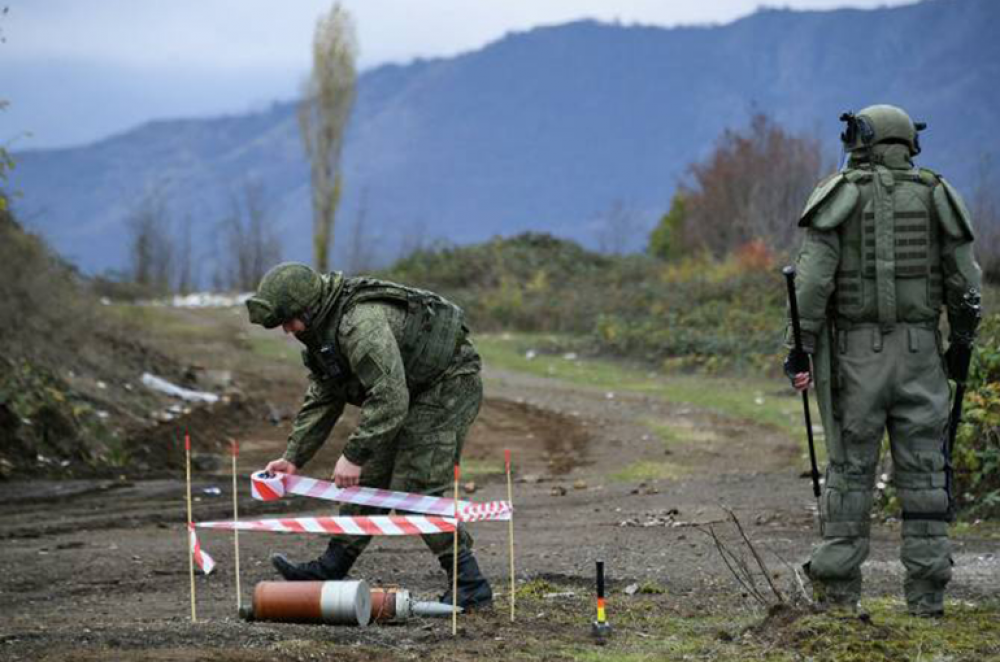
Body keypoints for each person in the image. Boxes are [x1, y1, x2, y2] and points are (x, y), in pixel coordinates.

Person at [784, 104, 982, 617]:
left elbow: (811, 284)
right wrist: (961, 344)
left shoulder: (838, 197)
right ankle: (927, 596)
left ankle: (837, 593)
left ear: (862, 140)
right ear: (907, 143)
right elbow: (967, 285)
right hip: (921, 355)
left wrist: (798, 348)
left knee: (850, 472)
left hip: (855, 357)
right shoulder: (939, 196)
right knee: (924, 473)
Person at [246, 262, 493, 610]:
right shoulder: (321, 333)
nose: (287, 330)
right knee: (371, 483)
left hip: (447, 384)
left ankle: (471, 585)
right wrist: (293, 457)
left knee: (415, 487)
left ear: (309, 308)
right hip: (409, 387)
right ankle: (331, 568)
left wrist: (355, 453)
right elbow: (323, 397)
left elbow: (390, 397)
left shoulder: (360, 325)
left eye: (289, 320)